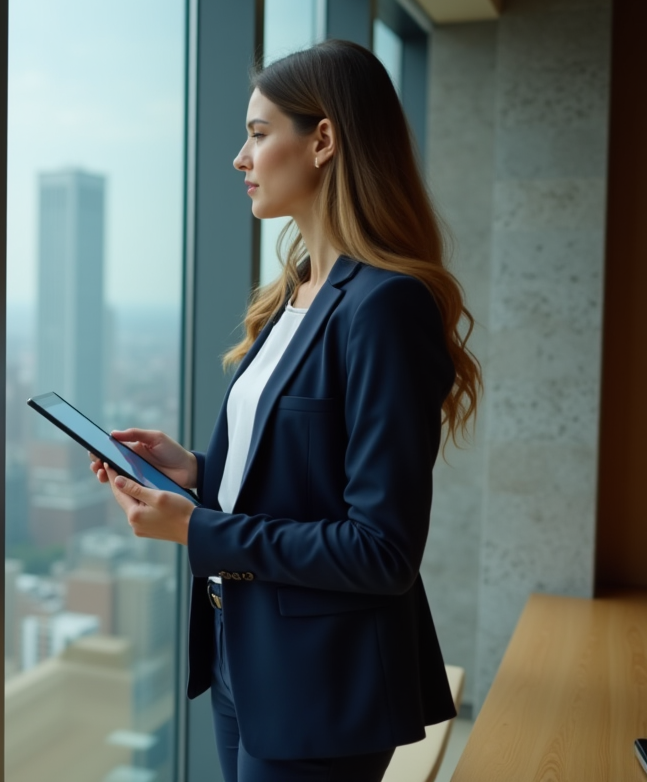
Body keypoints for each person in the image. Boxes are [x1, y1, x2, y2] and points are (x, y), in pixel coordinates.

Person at [89, 39, 482, 782]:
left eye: (260, 133)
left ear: (324, 139)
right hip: (246, 654)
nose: (241, 157)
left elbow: (382, 550)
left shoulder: (384, 306)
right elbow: (302, 480)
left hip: (322, 681)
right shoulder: (298, 292)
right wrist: (198, 472)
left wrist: (198, 529)